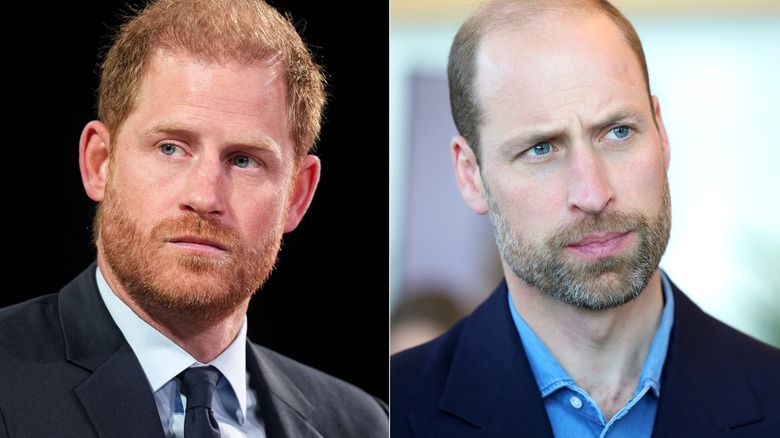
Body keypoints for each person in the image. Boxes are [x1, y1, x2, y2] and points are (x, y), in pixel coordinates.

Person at [390, 0, 780, 436]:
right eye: (541, 148)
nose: (593, 194)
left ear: (661, 132)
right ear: (470, 175)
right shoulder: (387, 409)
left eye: (618, 132)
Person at [0, 0, 388, 436]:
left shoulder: (362, 425)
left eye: (244, 160)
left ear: (297, 195)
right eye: (171, 148)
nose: (205, 197)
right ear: (100, 163)